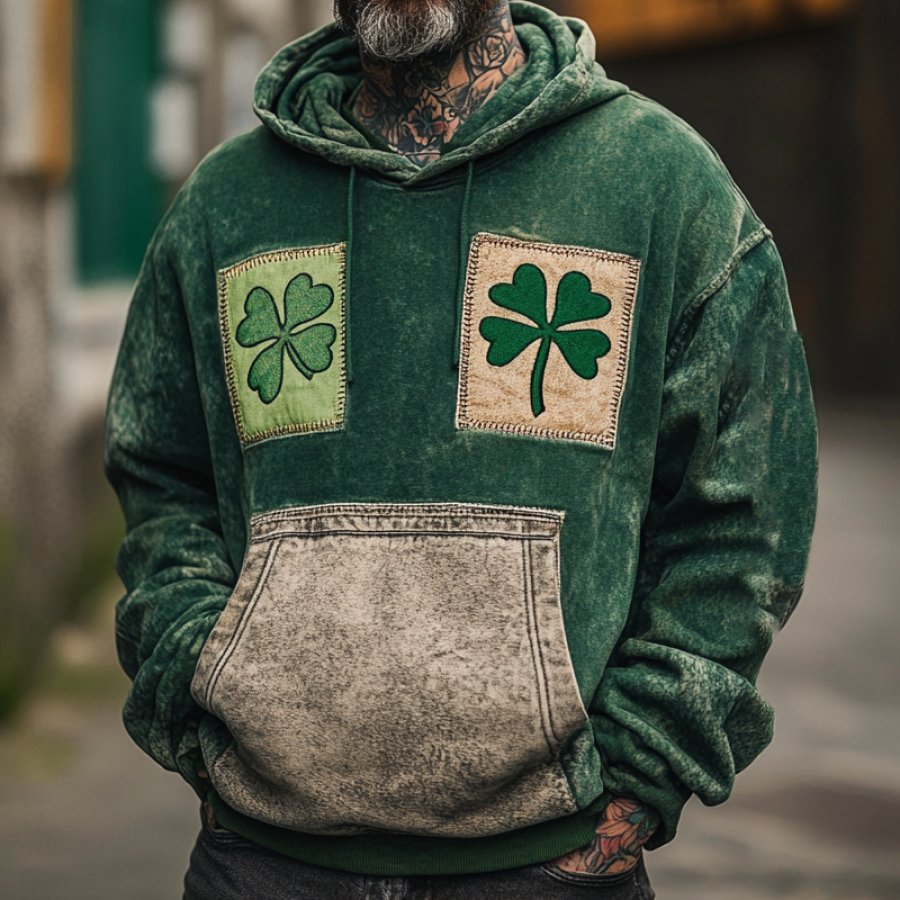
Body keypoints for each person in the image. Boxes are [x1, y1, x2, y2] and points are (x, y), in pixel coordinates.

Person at [103, 1, 818, 897]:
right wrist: (195, 692)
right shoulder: (225, 204)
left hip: (548, 867)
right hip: (267, 860)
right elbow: (162, 476)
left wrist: (637, 782)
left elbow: (747, 519)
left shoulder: (660, 184)